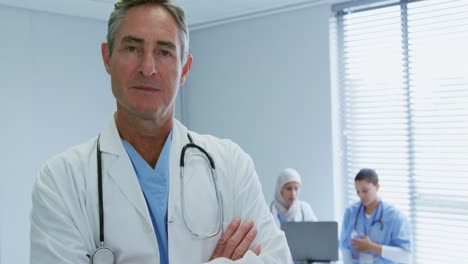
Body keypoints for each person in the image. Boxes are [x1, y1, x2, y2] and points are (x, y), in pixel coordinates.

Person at [29, 0, 292, 263]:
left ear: (185, 69)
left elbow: (278, 259)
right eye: (132, 48)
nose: (147, 67)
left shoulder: (231, 166)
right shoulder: (61, 182)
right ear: (107, 58)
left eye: (164, 52)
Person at [339, 168, 412, 264]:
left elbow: (405, 256)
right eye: (358, 191)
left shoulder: (394, 216)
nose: (361, 196)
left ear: (377, 187)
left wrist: (372, 247)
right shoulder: (351, 212)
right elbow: (345, 249)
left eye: (365, 191)